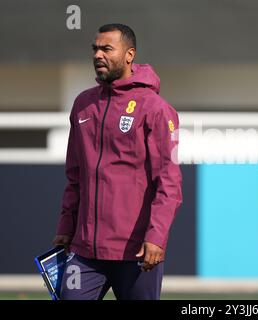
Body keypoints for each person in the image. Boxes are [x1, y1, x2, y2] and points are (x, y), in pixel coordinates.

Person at [52, 23, 182, 300]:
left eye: (107, 49)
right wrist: (66, 227)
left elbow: (169, 183)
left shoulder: (155, 109)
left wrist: (156, 237)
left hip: (135, 251)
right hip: (85, 251)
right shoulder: (82, 105)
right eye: (95, 49)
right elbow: (75, 177)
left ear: (129, 54)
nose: (98, 55)